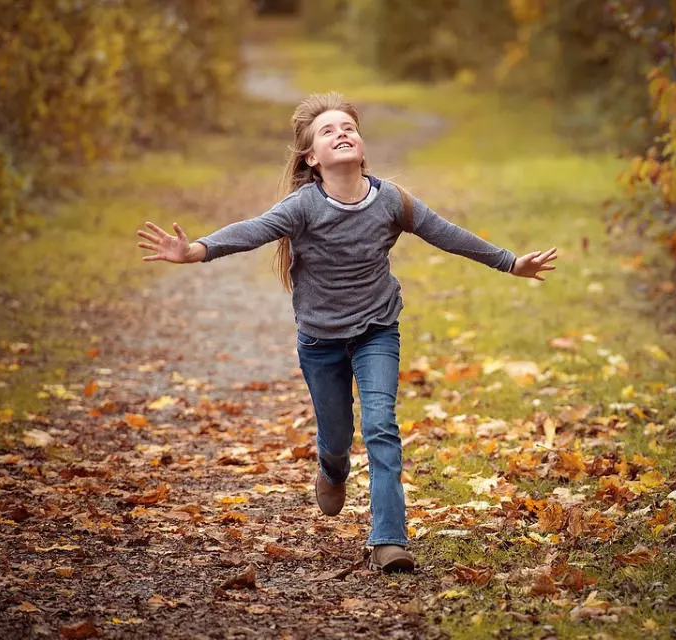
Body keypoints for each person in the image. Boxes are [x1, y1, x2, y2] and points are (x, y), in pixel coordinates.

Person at [135, 92, 557, 573]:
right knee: (336, 438)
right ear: (311, 158)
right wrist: (196, 250)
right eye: (328, 130)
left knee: (381, 426)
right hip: (320, 341)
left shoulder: (391, 200)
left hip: (377, 330)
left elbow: (448, 233)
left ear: (360, 144)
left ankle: (388, 540)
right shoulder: (303, 206)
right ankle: (332, 470)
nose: (342, 133)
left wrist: (510, 262)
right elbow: (252, 230)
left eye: (349, 127)